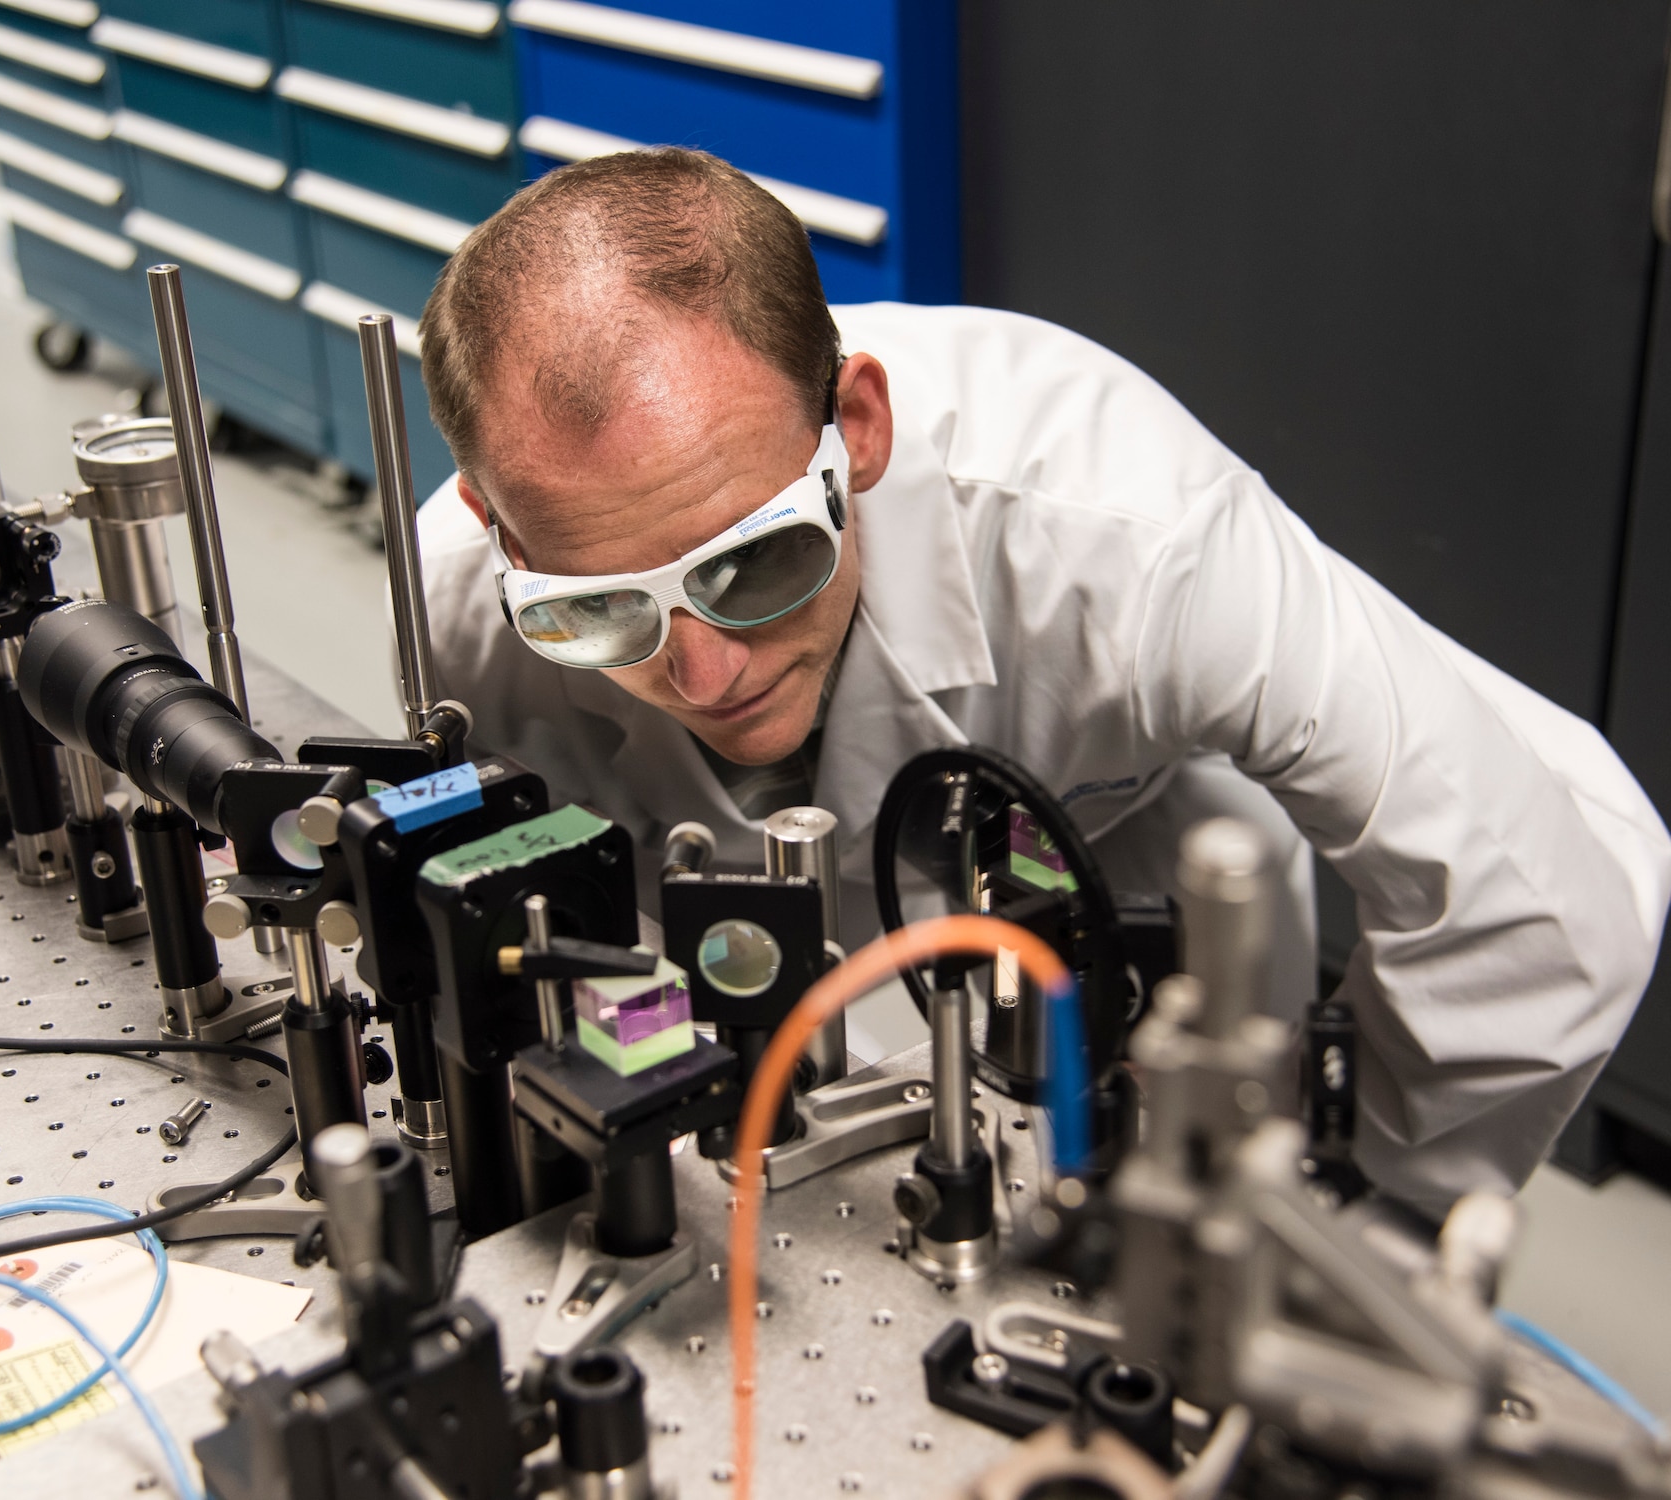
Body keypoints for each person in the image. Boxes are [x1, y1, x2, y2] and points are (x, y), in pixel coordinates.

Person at [412, 147, 1671, 1218]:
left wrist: (1358, 1216)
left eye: (754, 563)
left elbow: (1545, 910)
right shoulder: (461, 605)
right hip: (748, 994)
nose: (702, 671)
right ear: (498, 529)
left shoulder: (1119, 532)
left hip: (1113, 884)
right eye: (600, 611)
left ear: (855, 428)